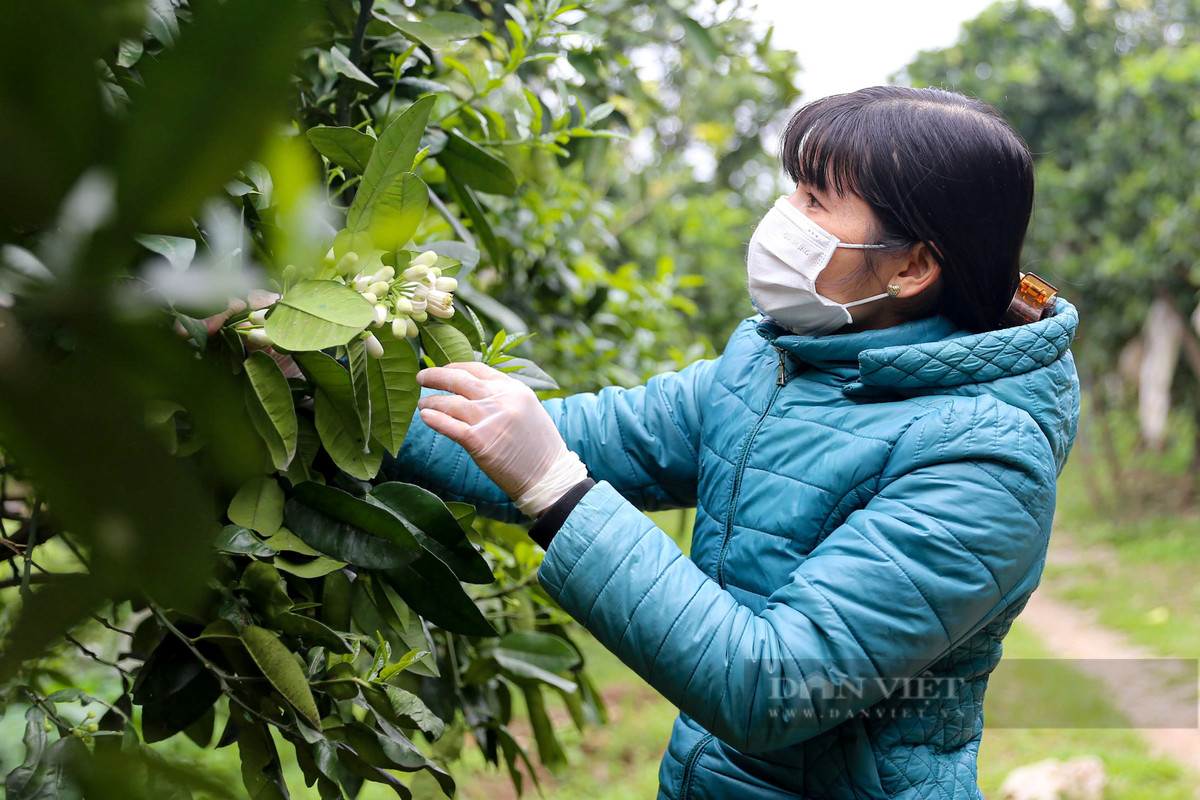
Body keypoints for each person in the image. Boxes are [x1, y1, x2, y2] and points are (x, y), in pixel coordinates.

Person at [383, 86, 1081, 800]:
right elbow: (569, 436)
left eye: (816, 200)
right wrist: (337, 381)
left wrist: (556, 490)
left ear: (911, 268)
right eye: (795, 189)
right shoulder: (778, 362)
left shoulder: (983, 462)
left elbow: (769, 686)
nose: (785, 217)